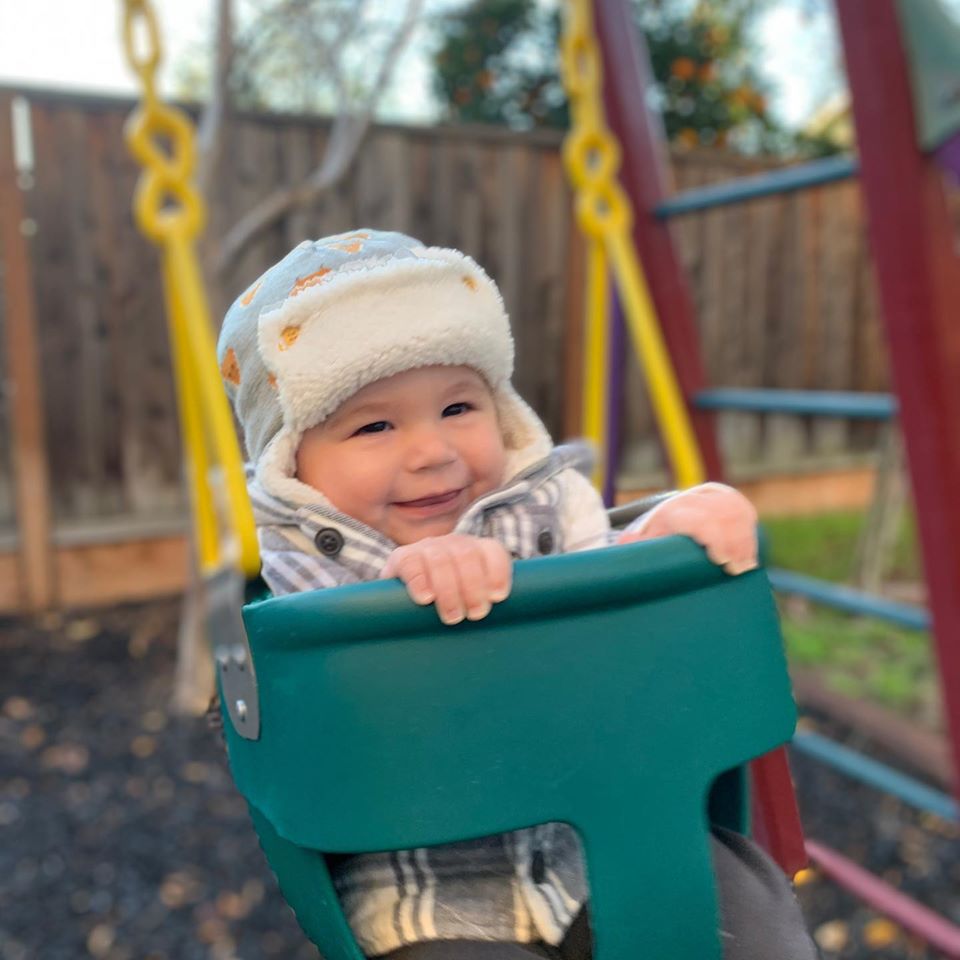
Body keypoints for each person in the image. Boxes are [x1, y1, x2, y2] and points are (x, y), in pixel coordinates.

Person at [217, 229, 817, 960]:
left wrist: (667, 530)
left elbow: (612, 603)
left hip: (602, 853)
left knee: (746, 917)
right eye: (375, 425)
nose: (433, 451)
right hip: (431, 905)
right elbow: (324, 708)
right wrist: (404, 592)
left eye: (459, 408)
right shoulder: (293, 558)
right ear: (292, 464)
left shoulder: (547, 501)